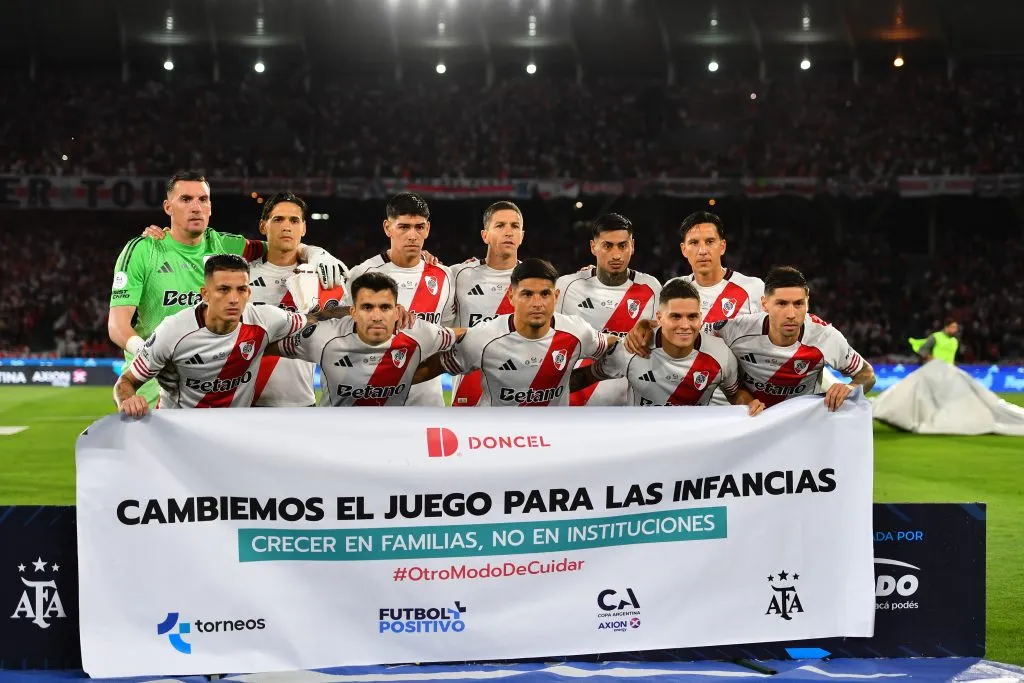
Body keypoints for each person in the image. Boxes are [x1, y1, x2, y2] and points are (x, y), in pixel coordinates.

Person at [109, 171, 346, 407]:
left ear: (211, 206)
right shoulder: (144, 250)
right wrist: (151, 357)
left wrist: (317, 254)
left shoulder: (226, 245)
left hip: (209, 390)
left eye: (203, 199)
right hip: (153, 389)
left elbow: (281, 244)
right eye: (185, 199)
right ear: (168, 207)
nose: (196, 207)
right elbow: (117, 325)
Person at [114, 254, 314, 417]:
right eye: (223, 290)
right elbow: (125, 382)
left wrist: (345, 310)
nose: (234, 299)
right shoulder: (173, 332)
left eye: (241, 289)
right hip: (178, 432)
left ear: (249, 293)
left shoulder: (264, 320)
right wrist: (129, 399)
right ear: (205, 294)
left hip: (229, 435)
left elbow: (314, 320)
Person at [414, 259, 617, 407]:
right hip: (498, 441)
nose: (537, 303)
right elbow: (428, 369)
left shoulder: (577, 332)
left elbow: (613, 346)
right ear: (511, 296)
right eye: (527, 294)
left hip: (552, 440)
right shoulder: (483, 338)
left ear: (556, 296)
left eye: (545, 294)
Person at [570, 280, 764, 414]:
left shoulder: (720, 354)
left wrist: (750, 404)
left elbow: (734, 393)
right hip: (643, 445)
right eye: (676, 316)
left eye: (692, 316)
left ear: (701, 317)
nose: (685, 325)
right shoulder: (633, 349)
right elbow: (587, 376)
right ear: (659, 318)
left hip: (696, 446)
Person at [268, 273, 463, 407]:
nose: (376, 316)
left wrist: (445, 364)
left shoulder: (419, 333)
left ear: (397, 311)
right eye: (367, 307)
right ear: (352, 312)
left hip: (392, 437)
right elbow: (265, 346)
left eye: (385, 307)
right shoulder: (322, 337)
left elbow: (463, 335)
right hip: (338, 437)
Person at [707, 266, 876, 412]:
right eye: (781, 304)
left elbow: (867, 374)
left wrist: (850, 388)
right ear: (764, 304)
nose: (791, 314)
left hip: (800, 425)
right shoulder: (736, 330)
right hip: (753, 422)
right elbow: (698, 339)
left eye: (798, 304)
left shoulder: (825, 337)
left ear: (807, 303)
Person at [345, 193, 456, 406]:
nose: (412, 235)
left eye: (419, 227)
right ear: (388, 228)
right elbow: (340, 332)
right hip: (373, 399)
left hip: (427, 403)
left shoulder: (444, 276)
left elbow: (447, 333)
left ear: (428, 229)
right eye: (403, 227)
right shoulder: (363, 273)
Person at [246, 192, 347, 407]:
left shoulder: (325, 278)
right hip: (246, 403)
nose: (286, 226)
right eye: (278, 219)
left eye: (294, 220)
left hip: (300, 403)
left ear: (303, 228)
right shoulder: (241, 277)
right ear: (263, 226)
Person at [555, 214, 661, 406]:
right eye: (607, 246)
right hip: (575, 404)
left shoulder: (651, 288)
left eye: (622, 245)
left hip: (629, 407)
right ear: (593, 247)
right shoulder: (567, 286)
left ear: (633, 246)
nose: (616, 255)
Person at [448, 201, 525, 406]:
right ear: (485, 235)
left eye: (514, 226)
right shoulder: (458, 274)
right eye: (500, 226)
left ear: (522, 236)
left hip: (519, 390)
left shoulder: (534, 279)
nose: (508, 232)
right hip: (468, 387)